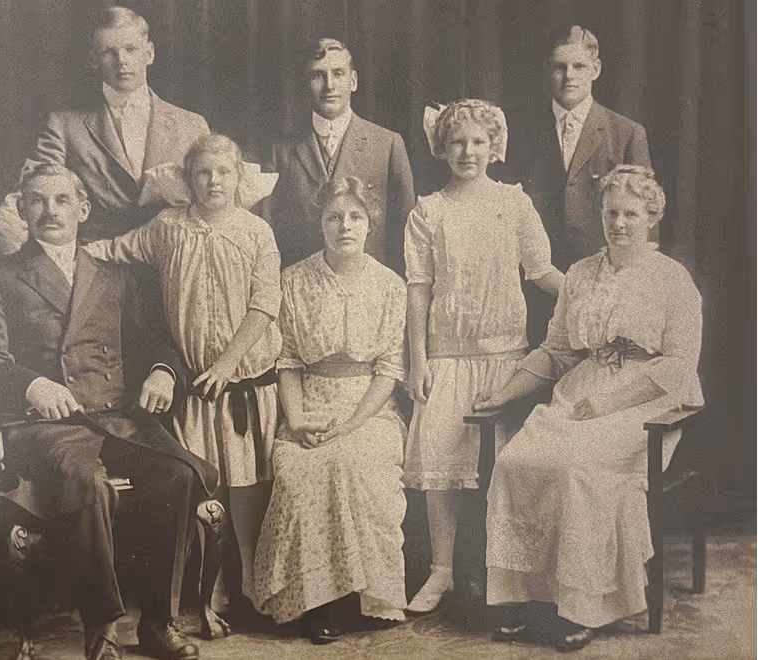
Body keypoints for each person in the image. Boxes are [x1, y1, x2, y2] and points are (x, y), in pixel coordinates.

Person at [0, 164, 221, 660]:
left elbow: (159, 343)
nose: (50, 212)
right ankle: (102, 628)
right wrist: (33, 383)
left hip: (117, 418)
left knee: (179, 474)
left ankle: (157, 623)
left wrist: (161, 372)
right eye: (38, 201)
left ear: (83, 209)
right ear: (21, 210)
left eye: (62, 201)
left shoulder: (113, 274)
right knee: (87, 483)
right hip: (47, 425)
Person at [476, 165, 703, 652]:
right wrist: (504, 392)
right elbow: (556, 352)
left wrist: (606, 401)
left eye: (631, 214)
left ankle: (586, 607)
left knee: (577, 470)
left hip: (647, 405)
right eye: (611, 212)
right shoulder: (580, 274)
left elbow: (680, 367)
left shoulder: (672, 279)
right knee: (517, 462)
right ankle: (531, 600)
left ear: (652, 217)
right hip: (578, 394)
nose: (619, 223)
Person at [85, 133, 281, 613]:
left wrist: (227, 363)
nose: (214, 182)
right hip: (194, 389)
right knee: (201, 488)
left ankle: (251, 582)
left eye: (224, 173)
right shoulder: (168, 226)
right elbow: (111, 250)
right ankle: (207, 587)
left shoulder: (257, 232)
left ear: (239, 178)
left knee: (247, 489)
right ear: (189, 180)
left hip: (243, 386)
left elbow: (265, 304)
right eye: (203, 173)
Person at [402, 99, 562, 614]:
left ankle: (502, 574)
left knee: (503, 473)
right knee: (442, 469)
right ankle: (442, 571)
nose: (467, 151)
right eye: (457, 142)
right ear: (442, 148)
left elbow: (542, 273)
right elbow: (418, 290)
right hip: (448, 358)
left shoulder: (514, 204)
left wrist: (591, 294)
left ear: (494, 147)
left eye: (478, 142)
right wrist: (418, 360)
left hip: (507, 361)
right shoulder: (428, 211)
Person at [0, 6, 209, 288]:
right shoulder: (65, 126)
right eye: (109, 52)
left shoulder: (192, 126)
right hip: (93, 273)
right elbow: (29, 195)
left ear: (148, 53)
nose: (122, 61)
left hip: (175, 275)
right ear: (93, 59)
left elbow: (216, 207)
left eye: (131, 49)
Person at [252, 177, 408, 644]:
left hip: (369, 408)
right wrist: (296, 419)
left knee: (354, 464)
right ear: (319, 224)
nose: (345, 226)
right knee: (300, 474)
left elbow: (390, 369)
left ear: (370, 222)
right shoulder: (294, 280)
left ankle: (358, 598)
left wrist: (353, 424)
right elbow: (289, 361)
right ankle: (314, 600)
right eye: (334, 217)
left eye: (355, 217)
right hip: (308, 406)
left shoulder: (389, 285)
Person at [515, 25, 653, 346]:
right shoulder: (522, 132)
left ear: (596, 69)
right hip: (536, 286)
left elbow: (644, 222)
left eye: (578, 66)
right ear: (547, 70)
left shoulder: (627, 133)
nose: (569, 76)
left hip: (604, 286)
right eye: (559, 67)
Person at [269, 37, 415, 274]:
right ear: (306, 83)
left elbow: (407, 232)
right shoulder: (281, 151)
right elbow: (269, 233)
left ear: (354, 80)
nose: (329, 86)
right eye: (318, 75)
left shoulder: (387, 144)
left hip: (369, 288)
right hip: (301, 288)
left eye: (338, 73)